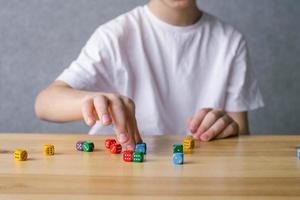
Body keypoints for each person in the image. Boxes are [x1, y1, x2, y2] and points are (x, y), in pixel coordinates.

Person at [35, 0, 264, 151]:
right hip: (120, 176)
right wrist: (88, 101)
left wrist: (227, 128)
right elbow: (44, 103)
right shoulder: (116, 35)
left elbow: (240, 135)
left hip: (196, 175)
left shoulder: (231, 41)